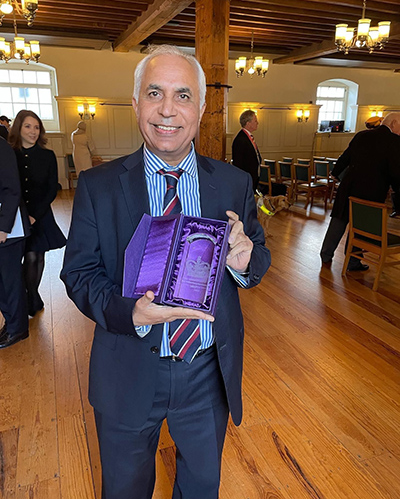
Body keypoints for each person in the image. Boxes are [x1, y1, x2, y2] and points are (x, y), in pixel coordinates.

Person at [61, 45, 271, 499]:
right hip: (129, 368)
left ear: (200, 107)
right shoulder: (99, 186)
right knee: (125, 490)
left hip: (206, 370)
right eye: (154, 93)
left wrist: (243, 261)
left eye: (183, 95)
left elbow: (259, 255)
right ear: (136, 104)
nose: (168, 110)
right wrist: (130, 313)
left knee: (200, 488)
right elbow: (78, 274)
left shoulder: (233, 183)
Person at [320, 112, 400, 270]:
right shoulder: (395, 141)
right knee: (360, 226)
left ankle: (326, 254)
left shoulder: (362, 135)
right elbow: (395, 171)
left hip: (349, 186)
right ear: (393, 123)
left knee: (339, 220)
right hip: (372, 191)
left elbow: (346, 156)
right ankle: (353, 261)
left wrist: (335, 173)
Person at [8, 110, 66, 317]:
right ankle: (27, 296)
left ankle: (31, 295)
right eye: (28, 126)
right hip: (13, 216)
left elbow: (52, 188)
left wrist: (34, 215)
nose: (33, 131)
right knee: (16, 259)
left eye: (36, 127)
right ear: (18, 128)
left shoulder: (47, 156)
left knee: (34, 256)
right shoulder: (9, 154)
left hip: (39, 214)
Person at [0, 137, 31, 349]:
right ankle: (10, 322)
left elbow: (11, 188)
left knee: (10, 281)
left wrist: (3, 227)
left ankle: (18, 328)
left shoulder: (1, 145)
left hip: (7, 228)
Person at [232, 109, 261, 193]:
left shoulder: (247, 137)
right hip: (246, 179)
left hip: (251, 178)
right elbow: (239, 163)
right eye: (255, 121)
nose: (257, 123)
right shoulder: (241, 139)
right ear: (248, 123)